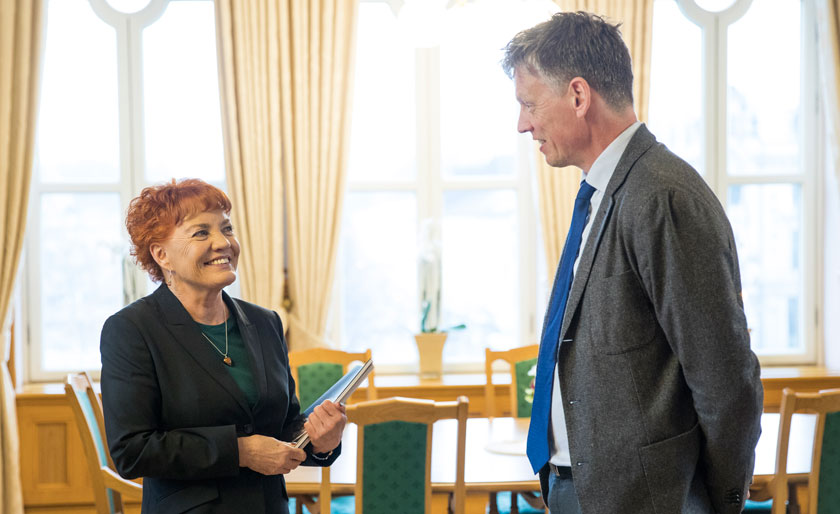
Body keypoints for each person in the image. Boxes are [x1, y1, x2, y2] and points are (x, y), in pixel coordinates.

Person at [502, 12, 763, 514]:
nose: (522, 123)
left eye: (529, 104)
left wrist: (713, 501)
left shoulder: (663, 196)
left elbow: (727, 383)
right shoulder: (601, 193)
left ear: (578, 96)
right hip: (579, 490)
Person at [100, 178, 345, 513]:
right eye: (202, 232)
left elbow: (285, 424)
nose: (223, 243)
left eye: (226, 229)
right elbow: (132, 451)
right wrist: (241, 451)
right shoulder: (131, 330)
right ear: (161, 255)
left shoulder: (266, 322)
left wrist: (322, 441)